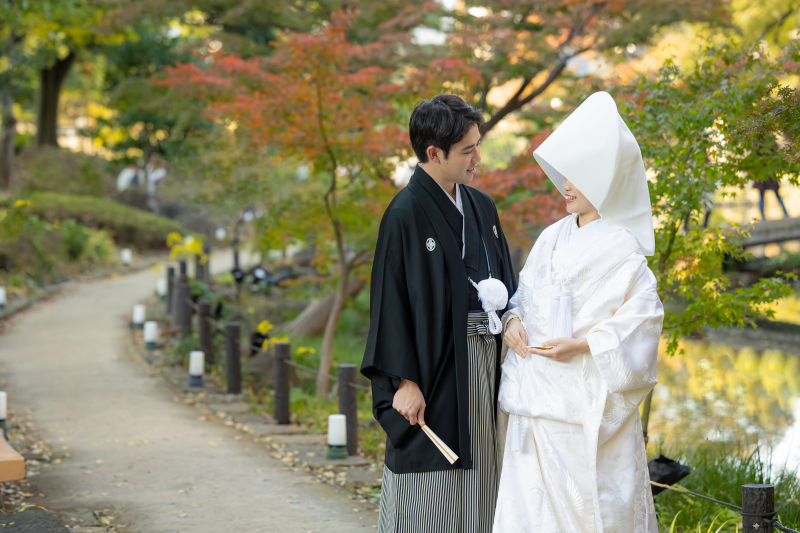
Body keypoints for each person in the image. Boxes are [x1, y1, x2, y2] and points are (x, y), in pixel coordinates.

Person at [493, 91, 664, 532]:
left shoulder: (623, 247)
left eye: (579, 178)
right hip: (536, 396)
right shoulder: (551, 237)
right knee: (527, 510)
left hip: (587, 397)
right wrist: (511, 322)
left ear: (605, 183)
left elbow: (644, 318)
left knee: (591, 510)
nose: (566, 186)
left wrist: (585, 343)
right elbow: (522, 298)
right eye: (565, 176)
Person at [361, 94, 517, 533]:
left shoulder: (482, 206)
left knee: (484, 470)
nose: (477, 159)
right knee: (431, 479)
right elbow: (389, 303)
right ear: (434, 153)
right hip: (432, 369)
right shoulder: (405, 213)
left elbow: (508, 283)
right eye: (468, 150)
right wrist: (404, 381)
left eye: (477, 146)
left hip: (487, 363)